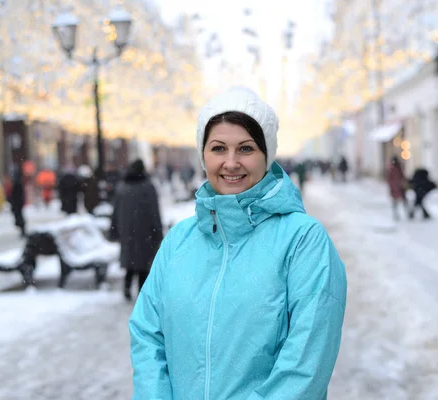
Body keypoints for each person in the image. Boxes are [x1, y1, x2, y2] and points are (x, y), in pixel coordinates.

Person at [129, 87, 347, 399]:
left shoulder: (303, 240)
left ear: (267, 156)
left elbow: (305, 362)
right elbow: (148, 333)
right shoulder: (179, 240)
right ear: (203, 155)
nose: (231, 162)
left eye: (245, 149)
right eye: (218, 148)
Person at [110, 159, 163, 301]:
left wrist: (114, 230)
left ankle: (127, 288)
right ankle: (141, 292)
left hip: (127, 232)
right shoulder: (148, 186)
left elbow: (115, 211)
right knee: (143, 264)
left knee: (130, 263)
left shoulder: (122, 186)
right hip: (144, 232)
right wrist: (158, 232)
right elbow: (154, 211)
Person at [386, 155, 409, 221]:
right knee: (401, 202)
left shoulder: (393, 168)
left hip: (398, 188)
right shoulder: (395, 168)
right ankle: (402, 213)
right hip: (398, 187)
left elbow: (390, 179)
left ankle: (401, 213)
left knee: (398, 202)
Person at [9, 170, 26, 237]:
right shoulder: (18, 183)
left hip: (17, 204)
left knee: (19, 217)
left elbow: (15, 195)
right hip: (18, 203)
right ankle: (22, 230)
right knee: (19, 217)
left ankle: (22, 230)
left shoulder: (17, 183)